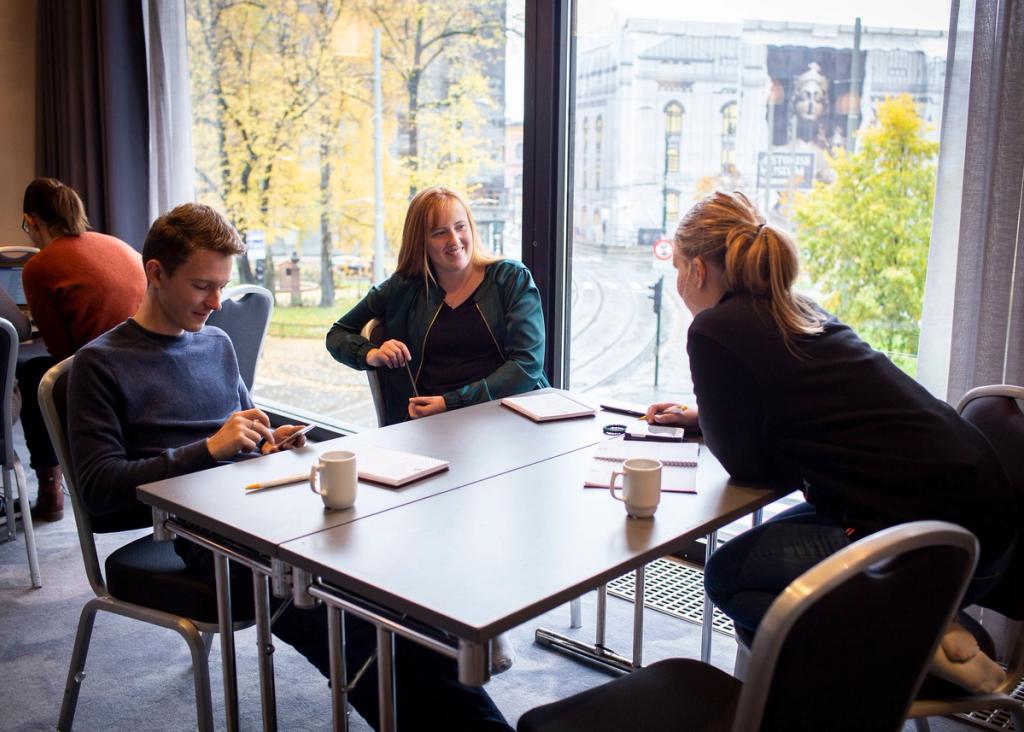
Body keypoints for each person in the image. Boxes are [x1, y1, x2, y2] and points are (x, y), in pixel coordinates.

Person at [69, 202, 512, 732]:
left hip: (260, 503)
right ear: (156, 274)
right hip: (196, 531)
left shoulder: (216, 342)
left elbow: (240, 435)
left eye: (222, 287)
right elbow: (99, 488)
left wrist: (266, 443)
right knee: (343, 615)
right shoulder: (101, 363)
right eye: (202, 287)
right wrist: (209, 451)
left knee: (397, 582)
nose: (215, 303)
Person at [646, 190, 1019, 694]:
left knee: (728, 574)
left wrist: (717, 417)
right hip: (986, 534)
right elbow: (807, 415)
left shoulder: (715, 329)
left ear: (695, 269)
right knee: (775, 545)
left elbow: (750, 468)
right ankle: (924, 626)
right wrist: (703, 416)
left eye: (676, 271)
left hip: (931, 550)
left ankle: (912, 639)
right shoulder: (794, 308)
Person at [326, 186, 549, 426]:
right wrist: (372, 354)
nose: (454, 240)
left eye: (460, 227)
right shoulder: (403, 288)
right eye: (440, 232)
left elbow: (526, 365)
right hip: (432, 426)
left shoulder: (511, 278)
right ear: (420, 241)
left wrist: (451, 403)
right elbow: (337, 334)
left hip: (511, 417)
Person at [19, 177, 146, 521]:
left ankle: (50, 485)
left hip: (106, 376)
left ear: (31, 221)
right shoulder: (117, 245)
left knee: (32, 374)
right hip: (151, 365)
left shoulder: (39, 266)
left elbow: (63, 352)